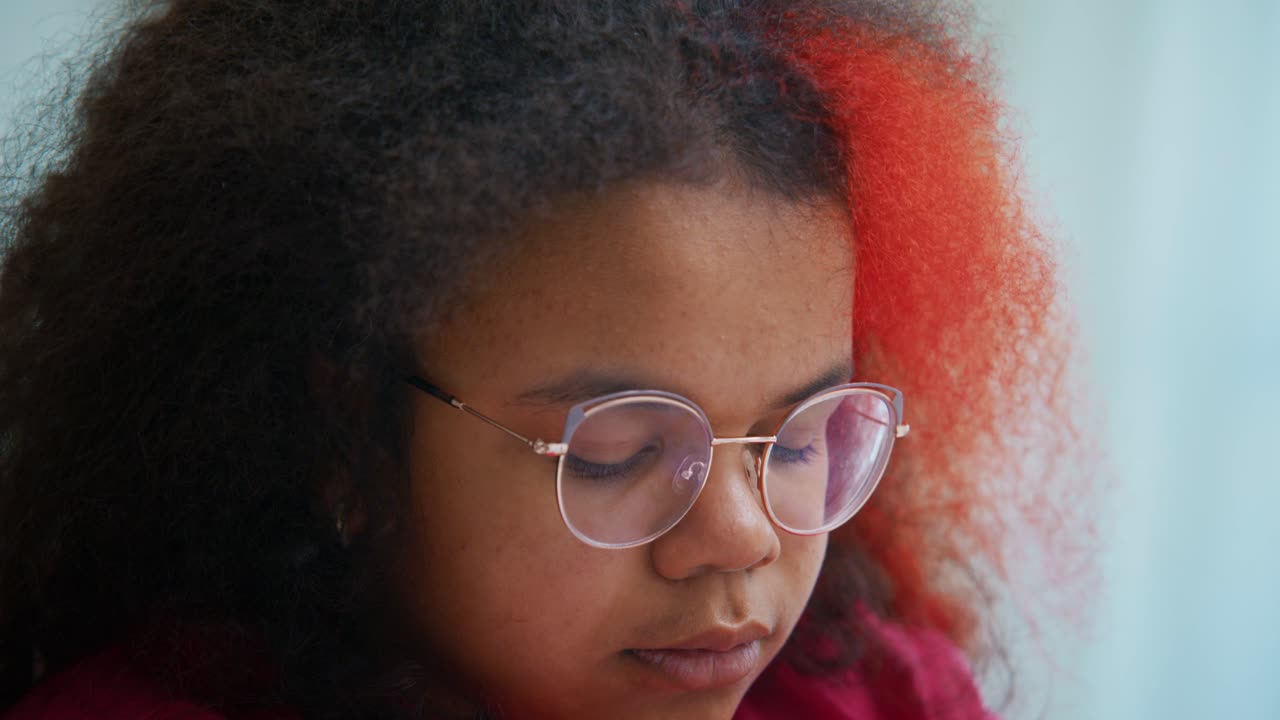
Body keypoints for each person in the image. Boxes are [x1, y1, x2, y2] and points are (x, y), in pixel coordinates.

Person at [0, 0, 1085, 718]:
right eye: (614, 452)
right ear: (344, 439)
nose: (741, 539)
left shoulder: (887, 698)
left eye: (799, 442)